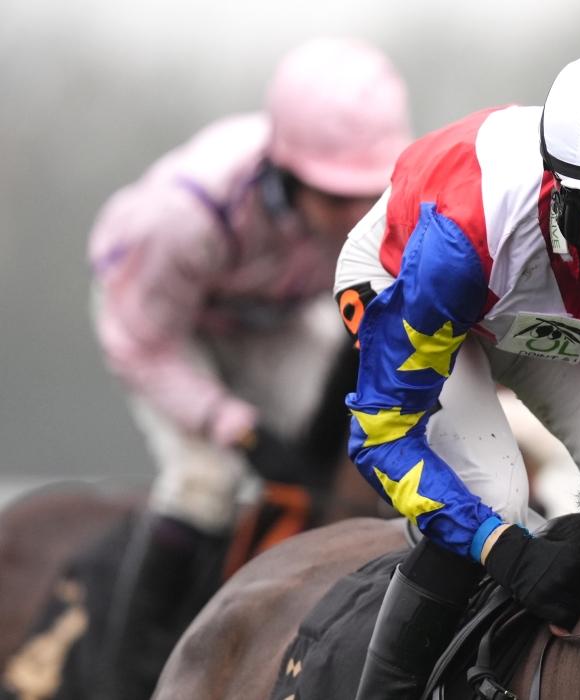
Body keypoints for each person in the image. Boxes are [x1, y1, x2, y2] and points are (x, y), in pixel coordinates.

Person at [335, 40, 580, 698]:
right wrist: (503, 548)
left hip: (547, 297)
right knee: (496, 497)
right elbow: (381, 436)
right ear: (566, 193)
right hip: (421, 282)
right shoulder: (459, 245)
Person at [87, 37, 412, 699]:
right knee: (205, 480)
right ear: (284, 171)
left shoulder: (365, 205)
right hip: (162, 327)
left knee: (355, 451)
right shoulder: (179, 218)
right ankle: (125, 678)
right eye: (336, 197)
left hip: (271, 319)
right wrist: (235, 426)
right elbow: (143, 346)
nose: (358, 217)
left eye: (368, 193)